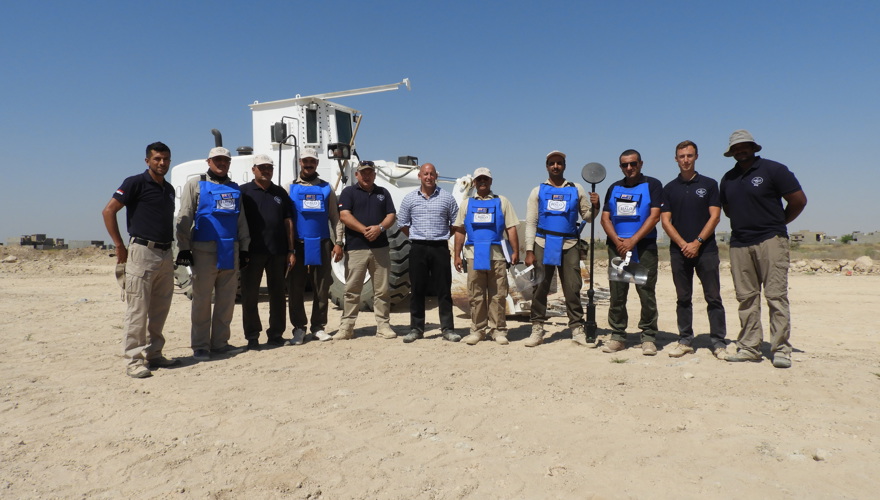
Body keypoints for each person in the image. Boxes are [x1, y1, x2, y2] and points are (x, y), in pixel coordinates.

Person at [720, 130, 807, 368]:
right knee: (746, 298)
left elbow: (799, 201)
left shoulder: (774, 170)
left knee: (775, 296)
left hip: (771, 241)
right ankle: (749, 347)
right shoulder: (728, 178)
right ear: (732, 152)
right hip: (740, 243)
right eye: (736, 148)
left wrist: (777, 224)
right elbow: (728, 210)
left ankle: (780, 349)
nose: (740, 150)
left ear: (753, 147)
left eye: (744, 146)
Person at [102, 141, 178, 378]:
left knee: (160, 308)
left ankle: (155, 354)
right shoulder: (135, 183)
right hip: (142, 253)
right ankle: (134, 360)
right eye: (157, 159)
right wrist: (119, 245)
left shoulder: (169, 189)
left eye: (165, 159)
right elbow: (108, 211)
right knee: (138, 309)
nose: (162, 163)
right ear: (147, 161)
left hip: (166, 253)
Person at [175, 147, 250, 361]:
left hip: (230, 250)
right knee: (202, 300)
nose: (221, 163)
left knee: (226, 301)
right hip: (204, 251)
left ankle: (220, 344)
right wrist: (184, 248)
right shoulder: (195, 185)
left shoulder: (235, 189)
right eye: (217, 160)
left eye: (225, 160)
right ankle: (200, 346)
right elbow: (185, 216)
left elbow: (240, 221)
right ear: (209, 162)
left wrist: (244, 248)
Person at [523, 151, 600, 347]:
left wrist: (596, 205)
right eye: (552, 163)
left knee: (573, 288)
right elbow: (531, 222)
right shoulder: (537, 191)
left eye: (559, 163)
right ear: (547, 166)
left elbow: (588, 217)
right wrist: (529, 251)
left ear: (564, 165)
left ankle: (576, 328)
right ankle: (537, 328)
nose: (555, 166)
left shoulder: (577, 188)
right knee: (540, 287)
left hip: (569, 245)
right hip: (542, 243)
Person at [660, 141, 727, 359]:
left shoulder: (709, 184)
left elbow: (715, 216)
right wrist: (683, 244)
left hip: (706, 250)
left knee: (713, 297)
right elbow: (665, 221)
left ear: (696, 156)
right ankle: (685, 339)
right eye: (681, 156)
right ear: (676, 159)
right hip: (679, 252)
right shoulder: (669, 188)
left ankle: (718, 341)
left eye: (689, 155)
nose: (686, 160)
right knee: (683, 297)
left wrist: (697, 242)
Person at [600, 149, 663, 355]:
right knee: (617, 293)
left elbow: (654, 216)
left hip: (644, 247)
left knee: (646, 293)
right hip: (617, 248)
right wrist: (618, 241)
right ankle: (618, 335)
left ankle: (648, 336)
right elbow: (605, 218)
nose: (629, 168)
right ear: (620, 167)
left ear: (640, 164)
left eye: (633, 164)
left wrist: (633, 241)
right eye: (625, 165)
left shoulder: (652, 185)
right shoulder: (613, 187)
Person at [453, 168, 520, 345]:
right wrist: (457, 255)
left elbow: (511, 227)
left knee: (498, 294)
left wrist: (515, 251)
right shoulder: (466, 204)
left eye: (486, 179)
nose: (482, 182)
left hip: (497, 255)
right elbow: (460, 229)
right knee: (476, 294)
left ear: (491, 181)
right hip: (474, 255)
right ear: (474, 182)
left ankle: (498, 330)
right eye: (479, 179)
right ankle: (477, 330)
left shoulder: (502, 201)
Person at [334, 160, 397, 340]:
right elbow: (344, 216)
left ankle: (383, 326)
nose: (367, 176)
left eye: (370, 172)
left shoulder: (383, 193)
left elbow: (391, 215)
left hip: (380, 249)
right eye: (363, 173)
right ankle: (346, 327)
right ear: (357, 175)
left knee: (382, 290)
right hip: (356, 249)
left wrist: (380, 228)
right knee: (352, 289)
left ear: (374, 175)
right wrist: (365, 230)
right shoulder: (348, 192)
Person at [397, 163, 460, 343]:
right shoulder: (409, 199)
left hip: (440, 247)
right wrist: (417, 237)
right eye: (425, 174)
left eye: (431, 174)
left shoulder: (447, 198)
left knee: (444, 290)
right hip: (417, 248)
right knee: (417, 290)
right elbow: (402, 223)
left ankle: (448, 329)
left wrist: (442, 235)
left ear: (436, 176)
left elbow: (455, 223)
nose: (428, 177)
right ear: (419, 176)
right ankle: (416, 329)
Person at [239, 154, 296, 350]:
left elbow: (288, 221)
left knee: (278, 295)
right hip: (252, 253)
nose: (266, 170)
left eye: (269, 167)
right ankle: (252, 336)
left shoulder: (280, 193)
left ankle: (276, 334)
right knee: (250, 295)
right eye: (262, 167)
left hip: (278, 252)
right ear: (253, 169)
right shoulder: (243, 192)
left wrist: (291, 250)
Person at [288, 148, 342, 344]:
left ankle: (318, 327)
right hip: (298, 244)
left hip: (322, 242)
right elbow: (287, 220)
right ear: (300, 162)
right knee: (296, 288)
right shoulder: (290, 187)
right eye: (305, 161)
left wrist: (339, 242)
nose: (308, 164)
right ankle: (299, 328)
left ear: (317, 163)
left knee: (321, 287)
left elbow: (335, 218)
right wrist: (289, 248)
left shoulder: (327, 188)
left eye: (312, 161)